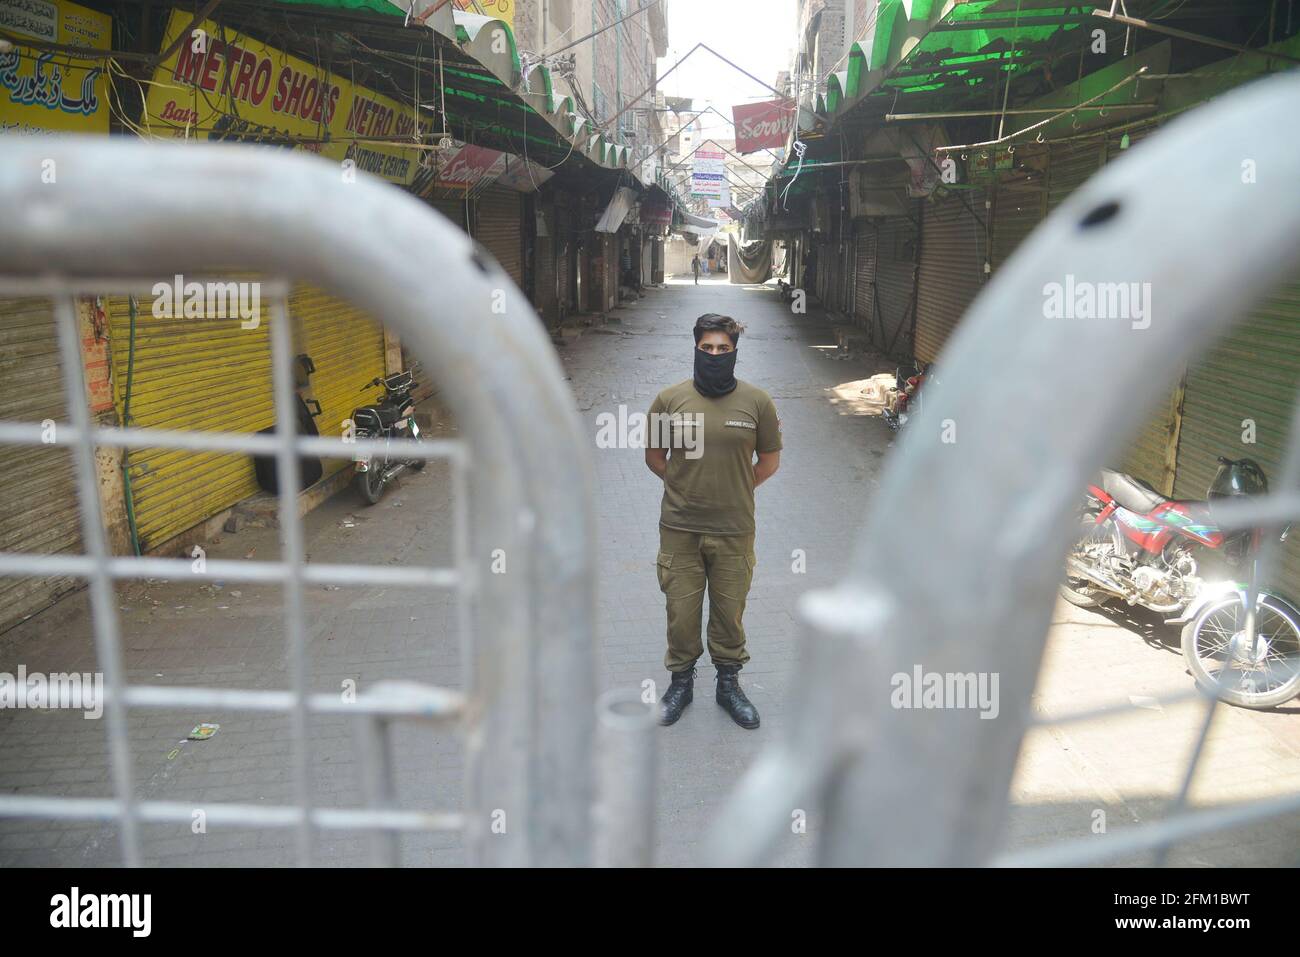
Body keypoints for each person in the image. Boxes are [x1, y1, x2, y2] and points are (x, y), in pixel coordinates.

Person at [645, 313, 782, 729]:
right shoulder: (669, 400)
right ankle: (681, 684)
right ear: (696, 349)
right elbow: (655, 457)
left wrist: (735, 488)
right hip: (680, 529)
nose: (715, 354)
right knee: (681, 612)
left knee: (729, 613)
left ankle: (728, 685)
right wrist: (687, 486)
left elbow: (770, 462)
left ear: (735, 352)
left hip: (735, 530)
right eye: (707, 347)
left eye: (723, 348)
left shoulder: (758, 402)